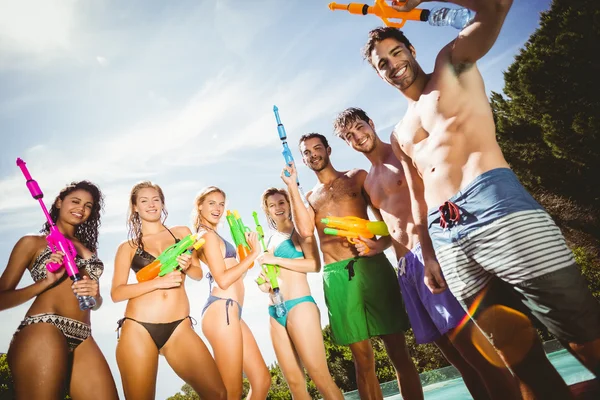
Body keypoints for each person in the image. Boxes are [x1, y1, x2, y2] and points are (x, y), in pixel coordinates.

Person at [363, 0, 600, 398]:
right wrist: (429, 255)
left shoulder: (450, 65)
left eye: (396, 52)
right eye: (381, 63)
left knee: (579, 328)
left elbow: (494, 8)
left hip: (496, 205)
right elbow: (419, 202)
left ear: (412, 51)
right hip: (446, 237)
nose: (392, 65)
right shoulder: (399, 133)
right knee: (516, 354)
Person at [334, 106, 521, 399]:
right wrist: (374, 247)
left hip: (430, 254)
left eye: (359, 127)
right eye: (349, 136)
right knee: (457, 359)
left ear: (371, 123)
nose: (357, 137)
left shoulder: (402, 155)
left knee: (474, 349)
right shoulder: (369, 182)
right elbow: (387, 230)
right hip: (405, 269)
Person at [282, 133, 423, 400]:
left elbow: (388, 222)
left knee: (397, 350)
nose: (313, 154)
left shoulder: (356, 177)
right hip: (337, 275)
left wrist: (378, 247)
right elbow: (304, 231)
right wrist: (291, 186)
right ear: (302, 159)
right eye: (307, 152)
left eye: (317, 148)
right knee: (362, 358)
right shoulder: (309, 197)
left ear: (328, 149)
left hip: (374, 267)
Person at [0, 181, 118, 400]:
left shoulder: (89, 249)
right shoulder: (32, 243)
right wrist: (44, 283)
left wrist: (96, 296)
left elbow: (94, 302)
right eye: (75, 201)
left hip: (83, 335)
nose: (81, 208)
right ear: (58, 202)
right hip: (44, 328)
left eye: (88, 205)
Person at [111, 181, 226, 400]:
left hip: (179, 327)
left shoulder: (181, 232)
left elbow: (197, 274)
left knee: (218, 394)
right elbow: (117, 293)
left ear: (162, 203)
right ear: (135, 207)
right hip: (138, 328)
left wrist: (187, 265)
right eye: (144, 201)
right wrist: (157, 282)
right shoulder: (127, 247)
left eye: (156, 199)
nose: (151, 205)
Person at [255, 187, 343, 399]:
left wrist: (274, 259)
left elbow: (314, 264)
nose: (278, 208)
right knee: (295, 385)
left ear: (289, 205)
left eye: (282, 203)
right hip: (275, 311)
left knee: (321, 378)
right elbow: (274, 275)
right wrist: (264, 284)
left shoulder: (301, 231)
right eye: (272, 205)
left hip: (300, 306)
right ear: (266, 210)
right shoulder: (269, 240)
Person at [192, 186, 270, 400]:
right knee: (231, 392)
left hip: (232, 311)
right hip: (222, 309)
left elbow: (233, 275)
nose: (217, 208)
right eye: (211, 203)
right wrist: (253, 254)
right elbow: (223, 279)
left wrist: (248, 264)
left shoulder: (214, 234)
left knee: (262, 381)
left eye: (221, 204)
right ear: (199, 206)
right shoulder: (205, 236)